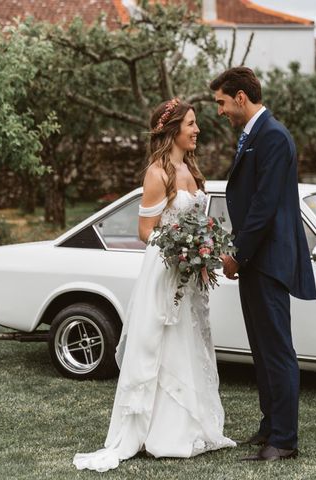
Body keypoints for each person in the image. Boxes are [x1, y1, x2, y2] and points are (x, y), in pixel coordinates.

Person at [73, 98, 235, 472]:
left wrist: (202, 247)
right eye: (191, 124)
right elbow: (146, 231)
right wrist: (183, 247)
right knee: (164, 345)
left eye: (196, 124)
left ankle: (194, 425)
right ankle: (162, 431)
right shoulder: (157, 173)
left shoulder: (192, 171)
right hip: (165, 271)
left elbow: (197, 221)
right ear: (173, 128)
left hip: (190, 277)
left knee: (191, 342)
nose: (197, 130)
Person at [210, 67, 316, 462]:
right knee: (261, 347)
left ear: (241, 97)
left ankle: (285, 440)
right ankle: (270, 425)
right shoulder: (254, 135)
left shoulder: (272, 136)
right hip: (257, 259)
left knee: (276, 350)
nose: (219, 111)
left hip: (267, 259)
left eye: (222, 102)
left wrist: (238, 255)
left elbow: (264, 207)